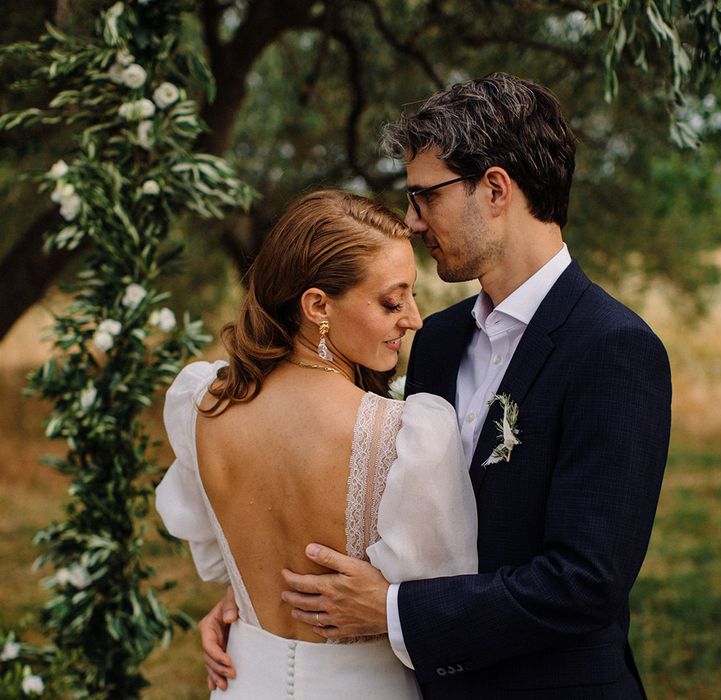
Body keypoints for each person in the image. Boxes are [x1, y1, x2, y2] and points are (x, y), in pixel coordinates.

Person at [201, 73, 672, 699]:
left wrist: (393, 611)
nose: (413, 221)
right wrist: (260, 603)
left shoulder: (613, 348)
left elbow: (584, 582)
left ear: (496, 189)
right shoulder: (439, 338)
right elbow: (370, 501)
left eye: (425, 197)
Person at [155, 189, 478, 698]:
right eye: (392, 301)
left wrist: (240, 596)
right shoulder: (407, 434)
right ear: (317, 305)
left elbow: (222, 564)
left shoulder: (203, 404)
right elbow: (444, 614)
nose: (414, 319)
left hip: (243, 679)